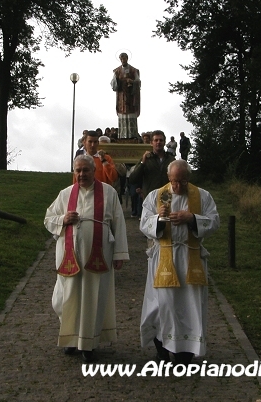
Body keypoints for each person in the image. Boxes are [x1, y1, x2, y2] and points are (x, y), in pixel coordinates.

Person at [45, 154, 129, 362]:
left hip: (98, 256)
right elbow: (48, 218)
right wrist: (63, 219)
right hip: (69, 256)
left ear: (94, 171)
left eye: (86, 170)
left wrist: (119, 254)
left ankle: (88, 343)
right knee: (63, 298)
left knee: (94, 298)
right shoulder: (65, 194)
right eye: (78, 170)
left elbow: (119, 223)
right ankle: (71, 338)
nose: (81, 174)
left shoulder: (108, 193)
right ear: (74, 172)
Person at [139, 159, 220, 365]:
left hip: (190, 256)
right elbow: (144, 223)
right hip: (163, 258)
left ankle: (185, 353)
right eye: (174, 181)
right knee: (160, 306)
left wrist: (192, 218)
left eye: (182, 181)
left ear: (188, 178)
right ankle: (162, 350)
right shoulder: (157, 196)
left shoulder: (202, 196)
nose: (177, 187)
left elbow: (214, 221)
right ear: (168, 178)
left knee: (188, 307)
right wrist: (158, 218)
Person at [128, 130, 175, 201]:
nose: (158, 142)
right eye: (156, 140)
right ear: (151, 143)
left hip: (167, 198)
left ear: (164, 142)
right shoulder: (146, 159)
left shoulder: (171, 160)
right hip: (150, 198)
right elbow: (132, 179)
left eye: (161, 140)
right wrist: (142, 163)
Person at [112, 52, 141, 139]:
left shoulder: (133, 70)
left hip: (131, 96)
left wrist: (132, 82)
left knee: (131, 114)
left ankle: (133, 136)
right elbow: (113, 84)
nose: (122, 60)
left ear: (127, 59)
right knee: (122, 114)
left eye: (124, 58)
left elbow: (138, 81)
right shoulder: (117, 71)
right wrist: (116, 79)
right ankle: (122, 136)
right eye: (121, 59)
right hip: (121, 96)